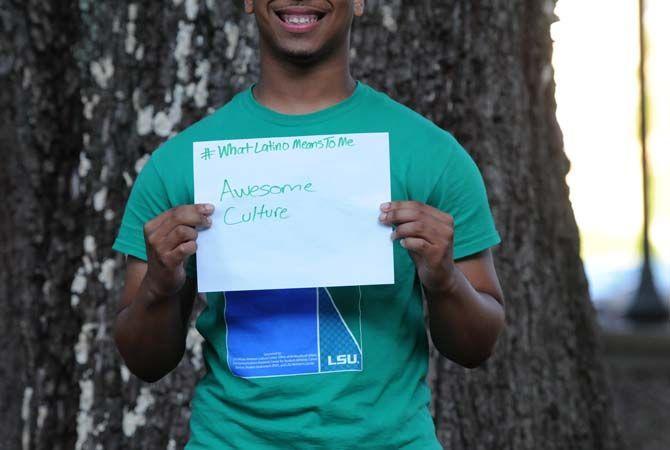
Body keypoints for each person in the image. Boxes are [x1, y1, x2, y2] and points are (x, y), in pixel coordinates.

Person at [112, 1, 506, 448]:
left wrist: (445, 280)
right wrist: (160, 287)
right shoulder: (179, 165)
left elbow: (478, 347)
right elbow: (144, 361)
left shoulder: (433, 156)